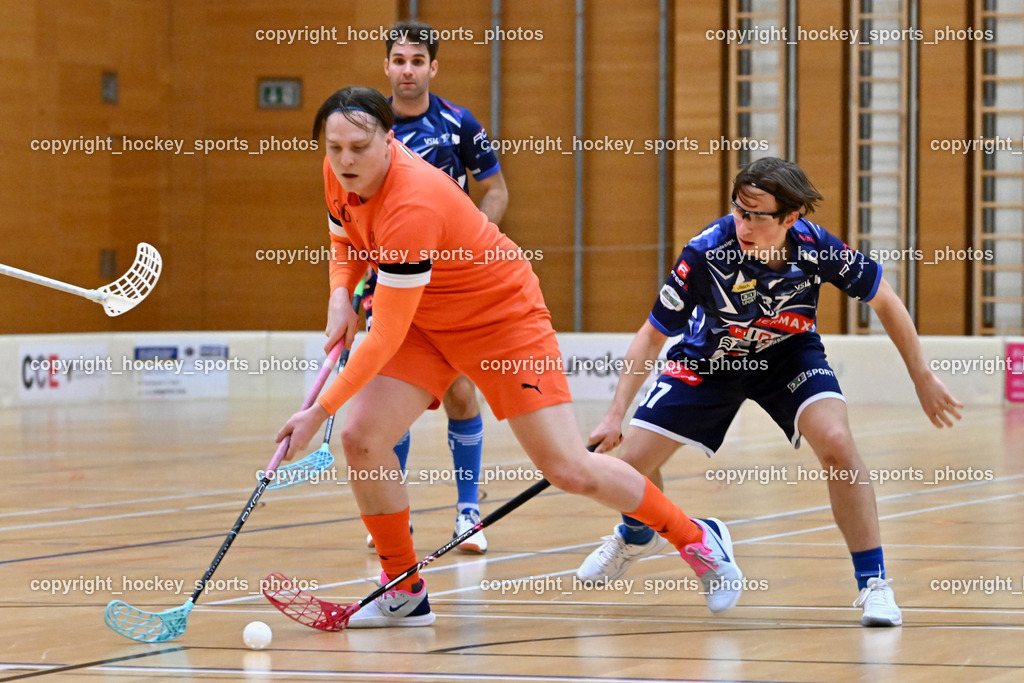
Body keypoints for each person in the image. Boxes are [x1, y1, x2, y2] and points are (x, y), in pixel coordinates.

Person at [275, 86, 744, 628]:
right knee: (362, 439)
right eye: (334, 148)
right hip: (427, 322)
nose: (345, 160)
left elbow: (380, 340)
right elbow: (345, 243)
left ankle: (698, 538)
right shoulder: (339, 171)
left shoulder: (413, 202)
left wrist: (317, 413)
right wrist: (340, 297)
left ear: (389, 139)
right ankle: (402, 589)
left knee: (569, 468)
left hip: (500, 321)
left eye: (358, 147)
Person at [577, 157, 964, 627]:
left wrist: (922, 376)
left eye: (758, 215)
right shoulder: (705, 253)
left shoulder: (817, 248)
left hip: (788, 356)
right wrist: (616, 413)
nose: (744, 224)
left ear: (790, 218)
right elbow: (651, 336)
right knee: (625, 468)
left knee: (838, 445)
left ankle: (874, 584)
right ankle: (644, 534)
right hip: (709, 360)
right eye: (740, 211)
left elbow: (885, 299)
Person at [355, 20, 510, 554]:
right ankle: (396, 519)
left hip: (451, 284)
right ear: (386, 65)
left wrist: (476, 237)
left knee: (462, 394)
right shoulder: (369, 125)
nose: (407, 70)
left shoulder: (459, 123)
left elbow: (496, 189)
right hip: (392, 280)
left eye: (417, 61)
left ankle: (468, 512)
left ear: (432, 68)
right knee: (389, 399)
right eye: (398, 60)